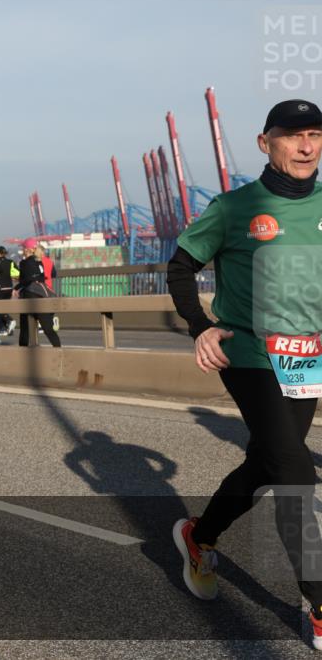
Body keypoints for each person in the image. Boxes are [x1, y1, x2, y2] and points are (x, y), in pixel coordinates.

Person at [167, 98, 322, 647]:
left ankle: (200, 534)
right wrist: (200, 326)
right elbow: (181, 266)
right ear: (265, 143)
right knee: (295, 473)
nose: (306, 146)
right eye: (293, 135)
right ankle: (319, 603)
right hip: (250, 355)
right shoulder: (234, 208)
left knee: (267, 462)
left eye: (315, 135)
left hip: (305, 359)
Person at [14, 238, 61, 347]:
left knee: (25, 328)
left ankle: (22, 351)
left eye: (23, 248)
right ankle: (58, 350)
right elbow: (43, 277)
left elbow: (26, 280)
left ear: (27, 249)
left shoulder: (24, 262)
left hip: (30, 295)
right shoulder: (40, 261)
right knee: (48, 329)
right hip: (43, 293)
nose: (22, 250)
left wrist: (16, 287)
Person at [0, 245, 18, 336]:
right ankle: (8, 329)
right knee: (3, 308)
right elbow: (17, 273)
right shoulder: (11, 262)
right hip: (9, 288)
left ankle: (8, 321)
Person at [35, 242, 60, 332]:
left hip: (40, 286)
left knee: (40, 306)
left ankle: (42, 326)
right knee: (48, 305)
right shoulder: (49, 261)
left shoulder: (36, 262)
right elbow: (54, 274)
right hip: (49, 286)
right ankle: (52, 321)